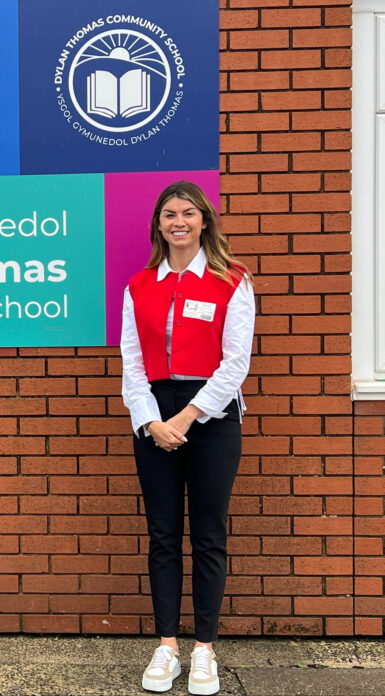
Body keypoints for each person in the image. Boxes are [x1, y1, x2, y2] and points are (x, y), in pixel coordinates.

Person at [120, 180, 255, 696]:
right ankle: (167, 647)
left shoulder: (231, 280)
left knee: (208, 534)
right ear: (158, 224)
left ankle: (204, 650)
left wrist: (188, 418)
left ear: (204, 221)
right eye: (169, 214)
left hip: (213, 416)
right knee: (161, 536)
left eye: (189, 213)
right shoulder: (138, 286)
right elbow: (132, 363)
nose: (178, 221)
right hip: (155, 413)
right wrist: (153, 420)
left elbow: (235, 363)